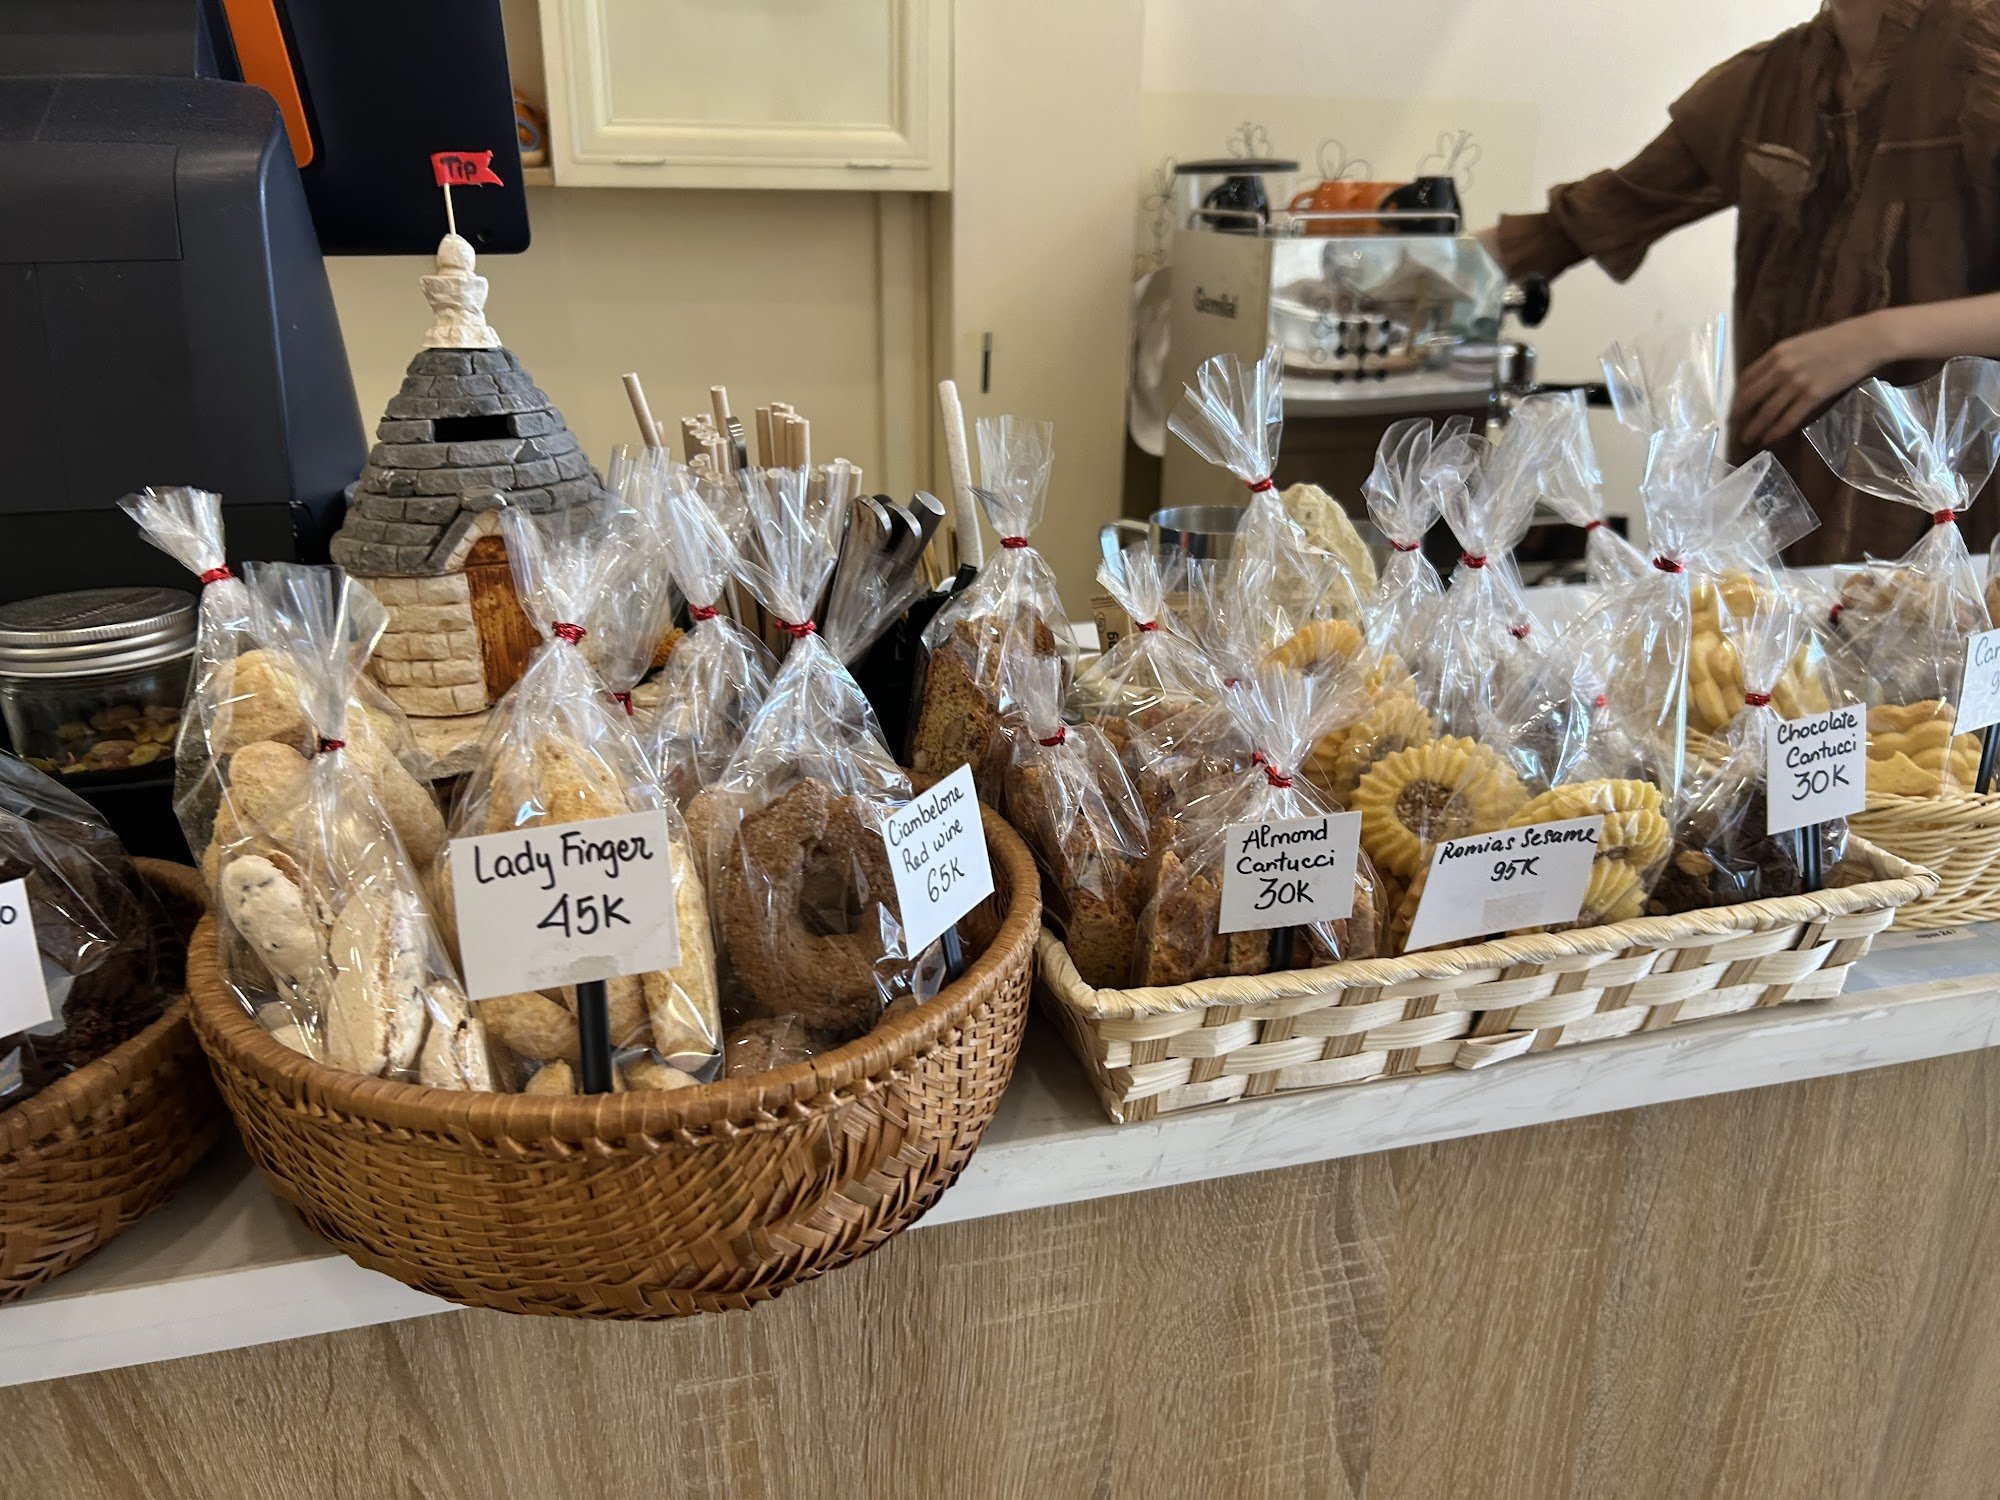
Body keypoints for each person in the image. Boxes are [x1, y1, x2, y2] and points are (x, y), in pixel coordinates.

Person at [1481, 0, 2000, 563]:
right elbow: (1586, 220)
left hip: (1965, 494)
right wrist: (1405, 256)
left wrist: (1870, 337)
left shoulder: (1984, 55)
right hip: (1797, 488)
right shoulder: (1767, 83)